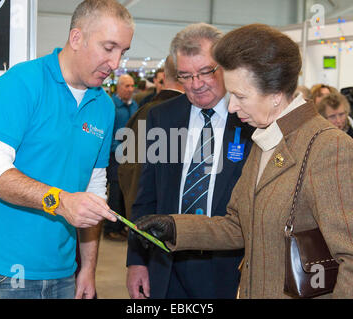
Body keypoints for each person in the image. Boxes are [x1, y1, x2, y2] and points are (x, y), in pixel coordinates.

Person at [134, 23, 353, 299]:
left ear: (276, 93)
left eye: (240, 96)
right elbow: (238, 225)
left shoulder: (328, 147)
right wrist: (176, 227)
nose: (231, 107)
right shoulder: (265, 140)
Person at [0, 0, 134, 299]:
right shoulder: (21, 83)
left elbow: (94, 190)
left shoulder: (103, 106)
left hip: (62, 273)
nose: (115, 63)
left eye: (122, 52)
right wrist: (60, 200)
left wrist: (88, 269)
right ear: (76, 38)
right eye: (108, 48)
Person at [126, 23, 254, 299]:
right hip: (167, 264)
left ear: (225, 66)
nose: (196, 85)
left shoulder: (250, 120)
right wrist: (137, 260)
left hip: (229, 267)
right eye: (185, 76)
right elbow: (146, 196)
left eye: (205, 72)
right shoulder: (163, 118)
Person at [118, 55, 184, 220]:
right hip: (179, 222)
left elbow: (128, 168)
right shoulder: (190, 114)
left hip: (142, 214)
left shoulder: (144, 111)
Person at [104, 74, 138, 241]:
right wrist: (119, 149)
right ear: (118, 87)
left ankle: (121, 226)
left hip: (130, 157)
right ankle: (110, 227)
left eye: (132, 86)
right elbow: (107, 134)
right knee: (116, 194)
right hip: (115, 157)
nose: (130, 89)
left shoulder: (134, 106)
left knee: (126, 193)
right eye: (127, 86)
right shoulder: (111, 106)